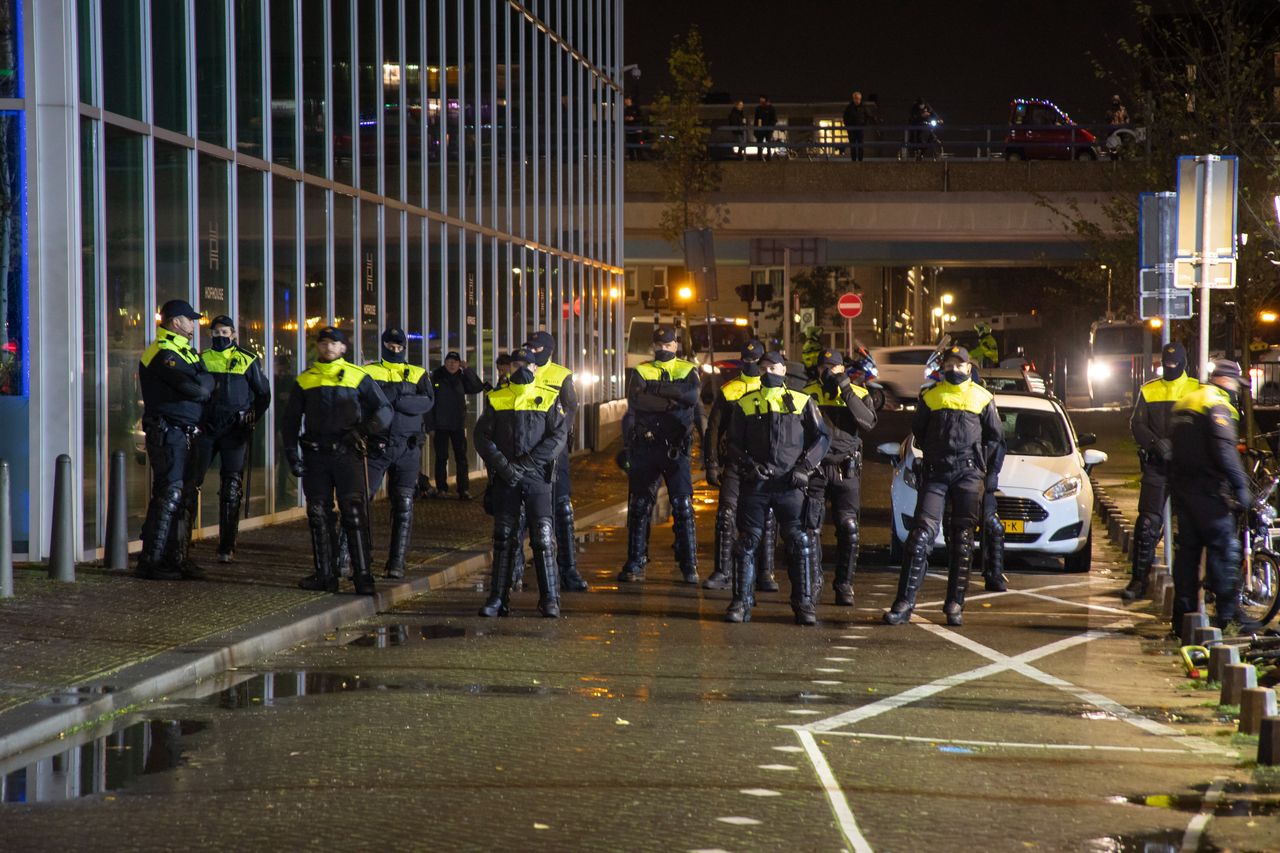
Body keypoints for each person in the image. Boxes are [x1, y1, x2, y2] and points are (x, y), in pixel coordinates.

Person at [885, 346, 1003, 627]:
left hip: (967, 476)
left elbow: (996, 439)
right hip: (937, 474)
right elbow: (920, 433)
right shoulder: (931, 396)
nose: (953, 368)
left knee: (962, 540)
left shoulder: (983, 398)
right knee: (920, 536)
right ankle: (903, 604)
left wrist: (990, 475)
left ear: (968, 368)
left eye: (958, 364)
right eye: (948, 364)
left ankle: (954, 604)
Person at [280, 326, 392, 595]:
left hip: (347, 454)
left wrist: (364, 431)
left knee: (354, 513)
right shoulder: (305, 380)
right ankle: (325, 574)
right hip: (316, 455)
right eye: (324, 343)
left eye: (334, 343)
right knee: (319, 514)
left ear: (343, 348)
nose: (329, 347)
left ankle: (363, 576)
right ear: (318, 347)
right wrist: (292, 456)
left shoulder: (357, 376)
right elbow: (290, 422)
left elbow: (385, 409)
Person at [723, 351, 831, 625]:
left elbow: (822, 437)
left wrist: (804, 468)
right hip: (757, 484)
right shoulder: (745, 403)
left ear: (785, 370)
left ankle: (804, 605)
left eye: (774, 367)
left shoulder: (801, 401)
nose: (768, 371)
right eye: (764, 368)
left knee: (799, 542)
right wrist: (748, 464)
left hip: (790, 484)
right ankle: (740, 603)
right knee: (747, 543)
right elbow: (732, 443)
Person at [474, 347, 569, 618]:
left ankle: (550, 599)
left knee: (542, 536)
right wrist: (504, 467)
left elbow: (557, 439)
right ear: (509, 367)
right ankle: (497, 598)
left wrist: (524, 465)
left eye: (527, 365)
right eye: (517, 365)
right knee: (504, 537)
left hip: (537, 477)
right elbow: (482, 437)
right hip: (507, 479)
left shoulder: (549, 398)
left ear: (536, 368)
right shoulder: (497, 398)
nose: (522, 369)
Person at [1169, 360, 1250, 630]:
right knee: (1224, 549)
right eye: (1237, 385)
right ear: (1227, 381)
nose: (1237, 391)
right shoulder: (1217, 404)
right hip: (1209, 492)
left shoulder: (1186, 401)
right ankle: (1227, 617)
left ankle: (1182, 621)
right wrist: (1241, 486)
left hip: (1183, 488)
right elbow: (1225, 451)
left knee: (1187, 556)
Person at [136, 300, 214, 580]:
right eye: (189, 319)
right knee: (169, 494)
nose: (194, 323)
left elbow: (207, 382)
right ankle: (151, 561)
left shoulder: (187, 351)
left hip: (187, 432)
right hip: (168, 430)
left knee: (186, 496)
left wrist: (202, 385)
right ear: (175, 321)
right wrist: (201, 385)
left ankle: (177, 558)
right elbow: (194, 388)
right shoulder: (162, 352)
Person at [618, 326, 701, 584]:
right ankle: (635, 562)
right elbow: (637, 403)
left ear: (676, 346)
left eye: (668, 345)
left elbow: (692, 397)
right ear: (654, 346)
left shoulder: (689, 370)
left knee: (683, 506)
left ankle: (689, 565)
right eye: (660, 345)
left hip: (677, 448)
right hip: (647, 447)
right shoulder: (642, 370)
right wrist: (673, 401)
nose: (664, 349)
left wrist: (657, 394)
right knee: (640, 505)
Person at [190, 315, 271, 564]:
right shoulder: (202, 359)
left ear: (233, 334)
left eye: (225, 332)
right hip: (208, 428)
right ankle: (180, 541)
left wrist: (252, 416)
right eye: (216, 332)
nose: (220, 336)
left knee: (231, 487)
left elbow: (263, 394)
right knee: (191, 482)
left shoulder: (248, 360)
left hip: (235, 430)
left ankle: (226, 544)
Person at [703, 339, 780, 593]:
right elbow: (714, 429)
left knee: (766, 519)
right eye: (745, 361)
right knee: (726, 515)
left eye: (754, 361)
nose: (750, 365)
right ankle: (722, 571)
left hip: (763, 464)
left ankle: (765, 573)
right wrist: (712, 464)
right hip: (736, 462)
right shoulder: (730, 390)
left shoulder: (776, 389)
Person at [1125, 342, 1200, 601]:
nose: (1169, 368)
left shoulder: (1197, 390)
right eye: (1165, 365)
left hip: (1187, 468)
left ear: (1183, 363)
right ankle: (1138, 580)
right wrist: (1157, 444)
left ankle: (1190, 585)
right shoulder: (1149, 390)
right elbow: (1137, 424)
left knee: (1190, 528)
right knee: (1146, 525)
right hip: (1157, 466)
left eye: (1173, 365)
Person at [803, 350, 877, 606]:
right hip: (817, 469)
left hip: (846, 471)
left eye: (834, 368)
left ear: (842, 369)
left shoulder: (859, 394)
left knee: (849, 529)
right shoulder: (808, 392)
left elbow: (868, 423)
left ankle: (844, 585)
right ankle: (812, 583)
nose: (828, 372)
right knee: (810, 529)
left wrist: (845, 389)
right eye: (824, 367)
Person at [363, 328, 435, 580]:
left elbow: (426, 402)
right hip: (377, 446)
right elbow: (365, 402)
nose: (395, 349)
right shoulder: (368, 371)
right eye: (390, 345)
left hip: (408, 447)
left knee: (404, 505)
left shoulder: (418, 373)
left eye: (399, 346)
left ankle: (396, 563)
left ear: (405, 347)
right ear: (383, 344)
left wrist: (392, 398)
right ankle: (349, 558)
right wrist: (404, 394)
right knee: (359, 502)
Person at [524, 330, 589, 592]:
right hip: (525, 452)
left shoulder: (561, 374)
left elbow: (571, 407)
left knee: (562, 509)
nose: (533, 352)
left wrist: (560, 438)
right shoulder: (520, 369)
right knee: (519, 513)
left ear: (548, 349)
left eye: (538, 349)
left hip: (553, 451)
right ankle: (514, 570)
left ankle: (568, 569)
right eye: (530, 347)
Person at [429, 351, 484, 499]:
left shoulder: (462, 377)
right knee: (441, 458)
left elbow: (478, 387)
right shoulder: (436, 376)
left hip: (458, 425)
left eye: (455, 361)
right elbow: (430, 403)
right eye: (449, 361)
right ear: (445, 362)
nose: (452, 364)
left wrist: (468, 370)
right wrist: (431, 426)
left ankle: (463, 490)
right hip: (440, 425)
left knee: (461, 458)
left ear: (459, 363)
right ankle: (441, 489)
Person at [842, 91, 868, 161]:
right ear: (853, 99)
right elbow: (845, 117)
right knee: (853, 145)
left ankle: (860, 160)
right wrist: (848, 126)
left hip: (860, 129)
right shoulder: (849, 108)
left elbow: (867, 117)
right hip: (851, 130)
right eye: (856, 98)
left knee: (860, 145)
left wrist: (863, 125)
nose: (857, 100)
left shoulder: (863, 108)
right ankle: (853, 160)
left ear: (860, 99)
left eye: (858, 98)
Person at [753, 95, 777, 161]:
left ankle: (768, 157)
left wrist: (771, 127)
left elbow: (774, 119)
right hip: (760, 129)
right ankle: (759, 157)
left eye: (762, 101)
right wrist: (755, 129)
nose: (761, 102)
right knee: (759, 143)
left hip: (768, 129)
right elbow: (756, 119)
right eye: (760, 101)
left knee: (768, 143)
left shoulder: (771, 108)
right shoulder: (758, 108)